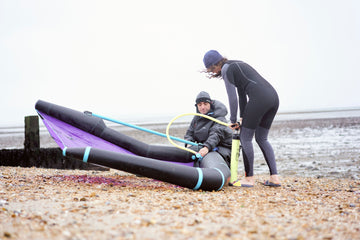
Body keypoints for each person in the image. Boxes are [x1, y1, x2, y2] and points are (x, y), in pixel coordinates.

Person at [202, 50, 281, 187]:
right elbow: (242, 95)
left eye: (211, 70)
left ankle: (249, 179)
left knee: (245, 138)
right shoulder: (236, 65)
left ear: (215, 65)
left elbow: (232, 98)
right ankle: (274, 177)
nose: (213, 73)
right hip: (273, 97)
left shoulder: (226, 69)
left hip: (259, 99)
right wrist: (242, 117)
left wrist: (232, 120)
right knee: (262, 138)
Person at [184, 91, 233, 170]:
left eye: (205, 104)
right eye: (200, 105)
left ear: (210, 104)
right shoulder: (196, 118)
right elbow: (189, 133)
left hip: (221, 148)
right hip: (204, 146)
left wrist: (207, 147)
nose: (202, 107)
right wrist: (188, 143)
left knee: (210, 156)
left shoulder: (220, 118)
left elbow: (216, 134)